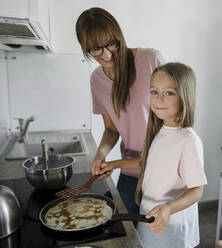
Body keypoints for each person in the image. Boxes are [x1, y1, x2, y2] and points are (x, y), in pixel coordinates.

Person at [98, 63, 207, 248]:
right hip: (150, 218)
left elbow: (197, 190)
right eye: (154, 92)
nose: (159, 100)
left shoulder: (188, 141)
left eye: (169, 93)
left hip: (171, 227)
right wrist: (114, 164)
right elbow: (147, 164)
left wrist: (168, 209)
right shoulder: (161, 130)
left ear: (185, 96)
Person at [75, 7, 164, 214]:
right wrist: (100, 156)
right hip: (130, 171)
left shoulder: (151, 60)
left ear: (119, 37)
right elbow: (111, 130)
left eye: (111, 44)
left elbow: (175, 120)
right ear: (86, 49)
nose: (107, 54)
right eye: (96, 49)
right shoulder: (97, 80)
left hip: (162, 171)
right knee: (127, 235)